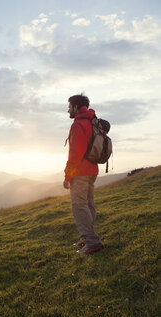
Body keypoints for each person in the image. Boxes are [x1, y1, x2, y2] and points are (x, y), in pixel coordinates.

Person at [63, 94, 103, 255]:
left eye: (69, 106)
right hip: (92, 170)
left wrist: (67, 176)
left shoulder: (79, 124)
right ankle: (87, 237)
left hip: (80, 172)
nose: (68, 110)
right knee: (88, 205)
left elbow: (75, 154)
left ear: (76, 106)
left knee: (79, 206)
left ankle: (92, 242)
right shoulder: (93, 121)